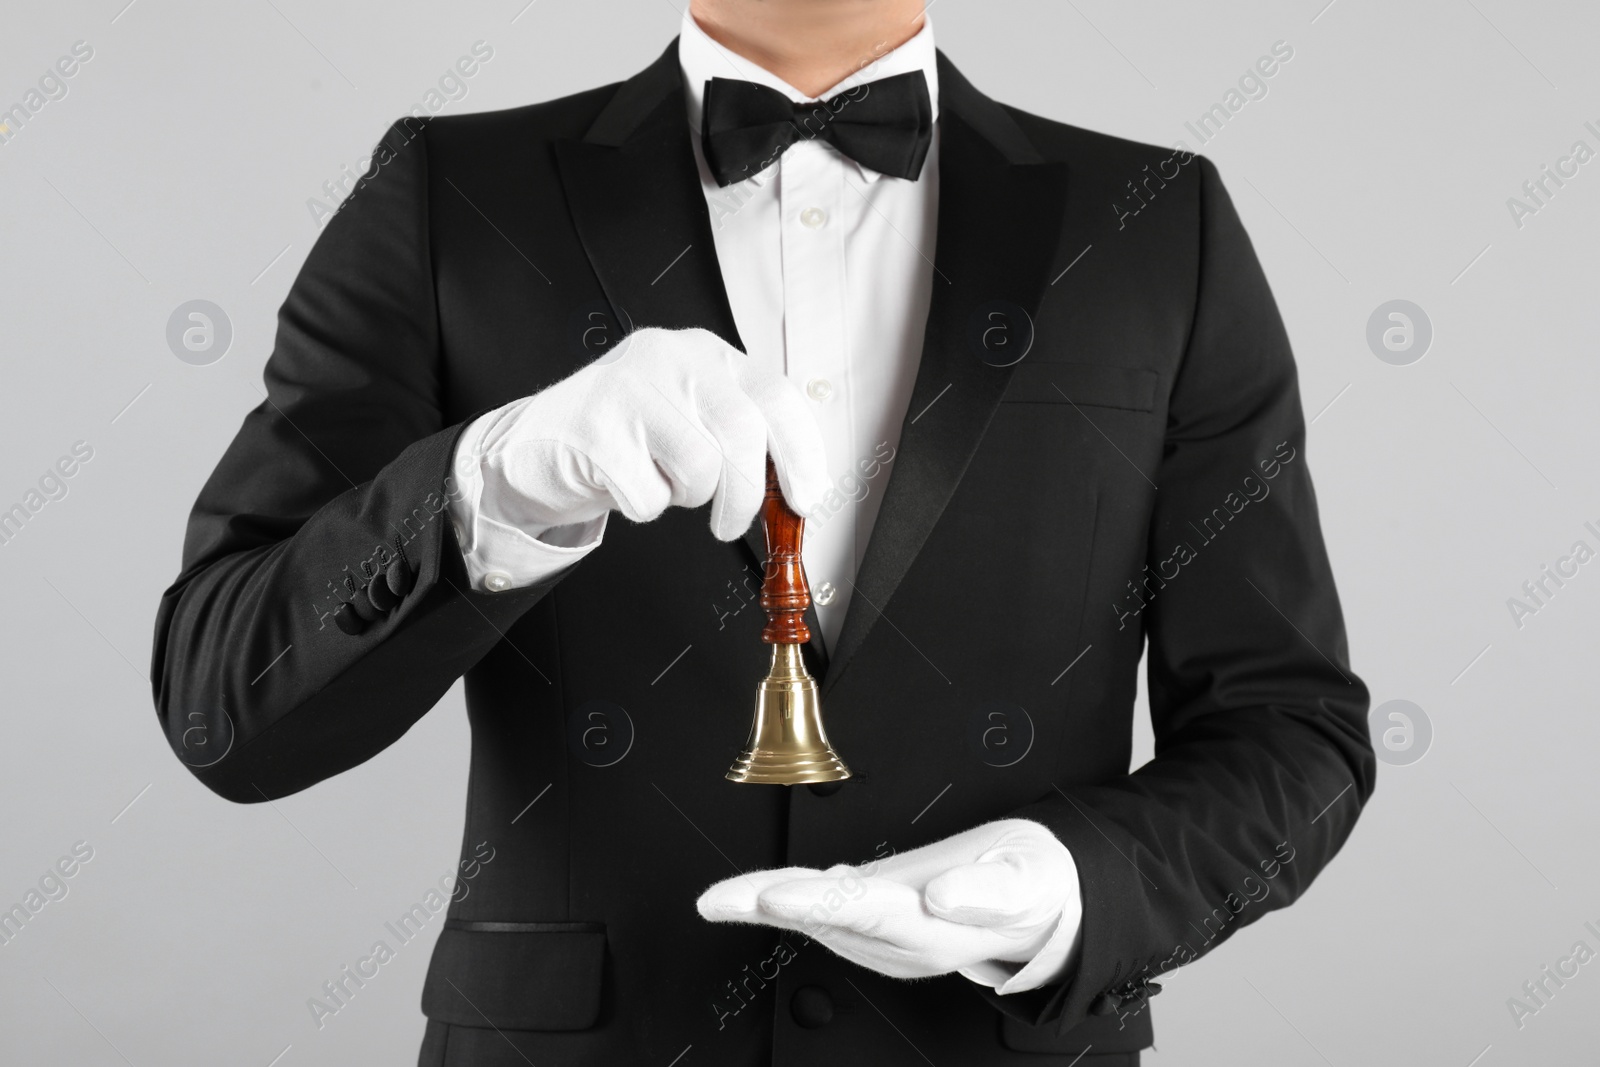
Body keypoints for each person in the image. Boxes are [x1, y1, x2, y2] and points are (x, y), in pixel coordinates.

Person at [150, 1, 1375, 1063]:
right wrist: (493, 481)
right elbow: (225, 700)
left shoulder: (1162, 223)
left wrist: (1062, 879)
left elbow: (1292, 729)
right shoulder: (448, 196)